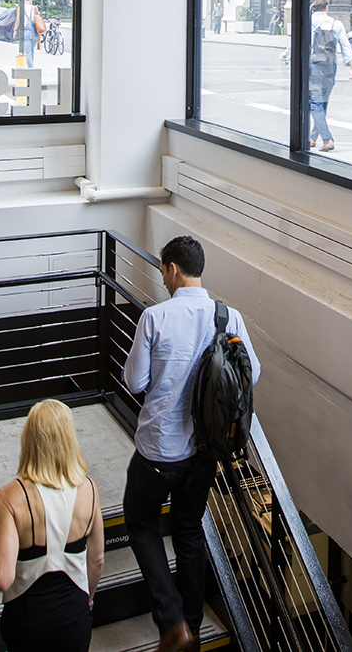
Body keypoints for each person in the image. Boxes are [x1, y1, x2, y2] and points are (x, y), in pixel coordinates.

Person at [122, 237, 261, 652]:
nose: (163, 278)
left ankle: (171, 621)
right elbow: (251, 375)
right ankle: (195, 626)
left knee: (141, 522)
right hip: (204, 452)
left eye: (164, 271)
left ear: (173, 270)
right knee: (187, 529)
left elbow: (134, 382)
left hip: (159, 451)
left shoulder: (155, 317)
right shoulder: (228, 316)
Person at [0, 399, 103, 652]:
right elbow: (97, 561)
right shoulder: (90, 490)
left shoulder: (8, 497)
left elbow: (3, 578)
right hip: (74, 621)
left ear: (29, 439)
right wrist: (88, 602)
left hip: (27, 625)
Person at [307, 0, 352, 153]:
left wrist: (285, 56)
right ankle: (312, 138)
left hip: (313, 67)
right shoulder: (336, 24)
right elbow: (345, 45)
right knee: (322, 103)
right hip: (330, 68)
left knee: (315, 104)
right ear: (327, 7)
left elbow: (295, 44)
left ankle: (327, 139)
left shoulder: (308, 22)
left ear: (313, 7)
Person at [18, 0, 45, 67]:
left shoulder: (21, 8)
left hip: (26, 31)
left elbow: (18, 20)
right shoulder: (34, 8)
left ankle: (30, 68)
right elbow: (38, 17)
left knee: (28, 51)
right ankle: (31, 66)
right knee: (32, 50)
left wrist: (15, 30)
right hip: (34, 32)